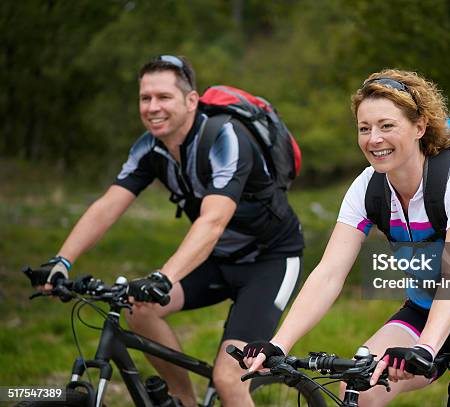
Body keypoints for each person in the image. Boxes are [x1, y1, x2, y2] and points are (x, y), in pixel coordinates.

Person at [242, 69, 450, 407]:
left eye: (387, 125)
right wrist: (279, 343)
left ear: (420, 127)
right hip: (423, 312)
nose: (373, 139)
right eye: (364, 128)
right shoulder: (368, 188)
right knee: (359, 390)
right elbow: (329, 274)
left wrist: (425, 348)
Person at [31, 55, 304, 407]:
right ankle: (185, 400)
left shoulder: (225, 136)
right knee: (137, 308)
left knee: (228, 378)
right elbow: (108, 205)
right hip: (217, 258)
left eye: (163, 97)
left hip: (270, 261)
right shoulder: (150, 147)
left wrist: (163, 277)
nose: (152, 107)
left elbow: (213, 221)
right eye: (145, 98)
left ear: (191, 101)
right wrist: (62, 261)